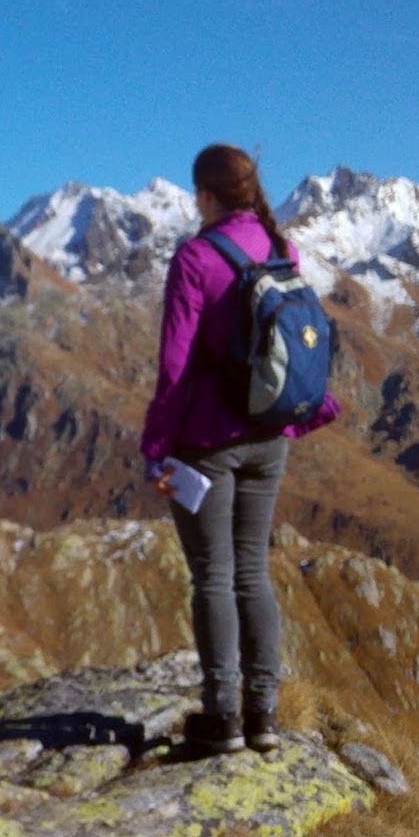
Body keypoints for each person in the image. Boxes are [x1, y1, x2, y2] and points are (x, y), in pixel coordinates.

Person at [136, 142, 343, 755]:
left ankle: (221, 717)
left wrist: (155, 447)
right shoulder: (284, 250)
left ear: (205, 194)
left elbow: (174, 366)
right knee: (253, 573)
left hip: (206, 445)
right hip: (269, 438)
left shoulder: (195, 258)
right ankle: (265, 717)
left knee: (213, 578)